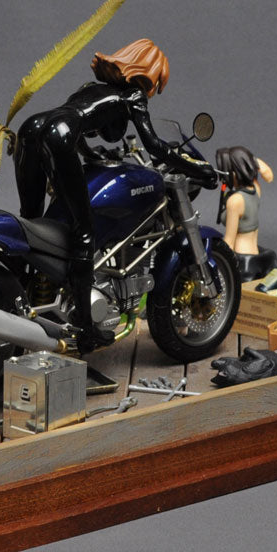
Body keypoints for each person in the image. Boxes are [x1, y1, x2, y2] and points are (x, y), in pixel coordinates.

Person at [14, 38, 219, 352]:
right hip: (58, 136)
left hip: (31, 129)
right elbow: (154, 146)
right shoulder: (133, 96)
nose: (154, 89)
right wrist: (197, 167)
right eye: (157, 81)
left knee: (30, 224)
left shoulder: (91, 88)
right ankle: (85, 329)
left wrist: (88, 153)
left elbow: (70, 119)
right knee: (84, 235)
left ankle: (16, 298)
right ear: (150, 72)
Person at [215, 145, 275, 277]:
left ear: (234, 172)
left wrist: (218, 266)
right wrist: (249, 160)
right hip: (254, 253)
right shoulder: (255, 188)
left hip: (241, 257)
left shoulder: (235, 201)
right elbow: (268, 174)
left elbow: (229, 241)